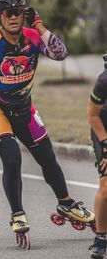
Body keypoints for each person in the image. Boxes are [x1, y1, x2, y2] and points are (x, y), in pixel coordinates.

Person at [0, 0, 95, 247]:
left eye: (19, 12)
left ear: (25, 14)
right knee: (12, 158)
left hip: (24, 107)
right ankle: (17, 213)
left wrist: (39, 25)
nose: (14, 17)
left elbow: (61, 54)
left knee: (48, 157)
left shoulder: (33, 37)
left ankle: (66, 204)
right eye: (8, 13)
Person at [87, 55, 107, 259]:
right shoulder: (104, 80)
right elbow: (92, 114)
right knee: (106, 185)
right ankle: (101, 238)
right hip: (103, 127)